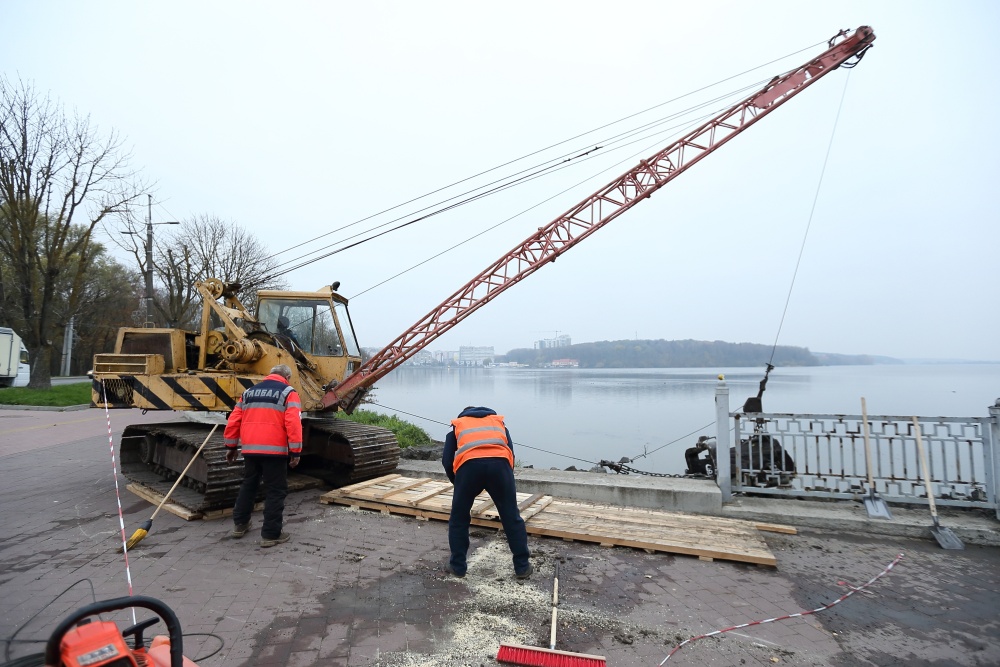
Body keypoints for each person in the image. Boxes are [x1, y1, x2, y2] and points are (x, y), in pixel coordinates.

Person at [442, 406, 531, 579]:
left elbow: (447, 460)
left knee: (459, 519)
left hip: (468, 469)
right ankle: (522, 567)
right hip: (500, 468)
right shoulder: (498, 423)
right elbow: (511, 453)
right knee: (511, 517)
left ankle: (458, 567)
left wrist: (457, 482)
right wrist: (505, 479)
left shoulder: (458, 425)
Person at [224, 364, 302, 547]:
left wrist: (231, 446)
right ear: (286, 377)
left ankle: (240, 525)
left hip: (250, 450)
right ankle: (271, 535)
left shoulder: (249, 392)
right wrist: (296, 451)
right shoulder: (289, 393)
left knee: (248, 485)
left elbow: (234, 420)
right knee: (275, 490)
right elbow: (293, 424)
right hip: (275, 451)